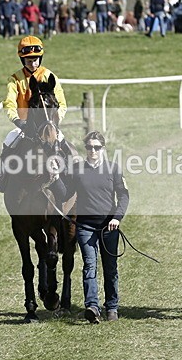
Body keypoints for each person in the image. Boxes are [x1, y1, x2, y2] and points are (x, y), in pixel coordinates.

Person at [48, 130, 129, 323]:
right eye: (89, 147)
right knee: (89, 265)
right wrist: (56, 177)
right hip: (85, 227)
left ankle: (111, 307)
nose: (93, 150)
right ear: (85, 148)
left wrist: (117, 218)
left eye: (96, 147)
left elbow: (124, 195)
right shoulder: (77, 170)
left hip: (108, 228)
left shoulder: (114, 169)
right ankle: (92, 306)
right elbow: (65, 195)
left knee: (110, 268)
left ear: (102, 148)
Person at [0, 35, 68, 192]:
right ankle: (2, 176)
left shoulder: (50, 77)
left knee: (65, 144)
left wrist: (54, 122)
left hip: (48, 126)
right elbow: (9, 103)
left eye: (36, 59)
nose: (33, 63)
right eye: (29, 60)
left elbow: (62, 103)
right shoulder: (14, 80)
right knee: (9, 140)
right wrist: (16, 121)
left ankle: (72, 176)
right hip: (25, 127)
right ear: (22, 60)